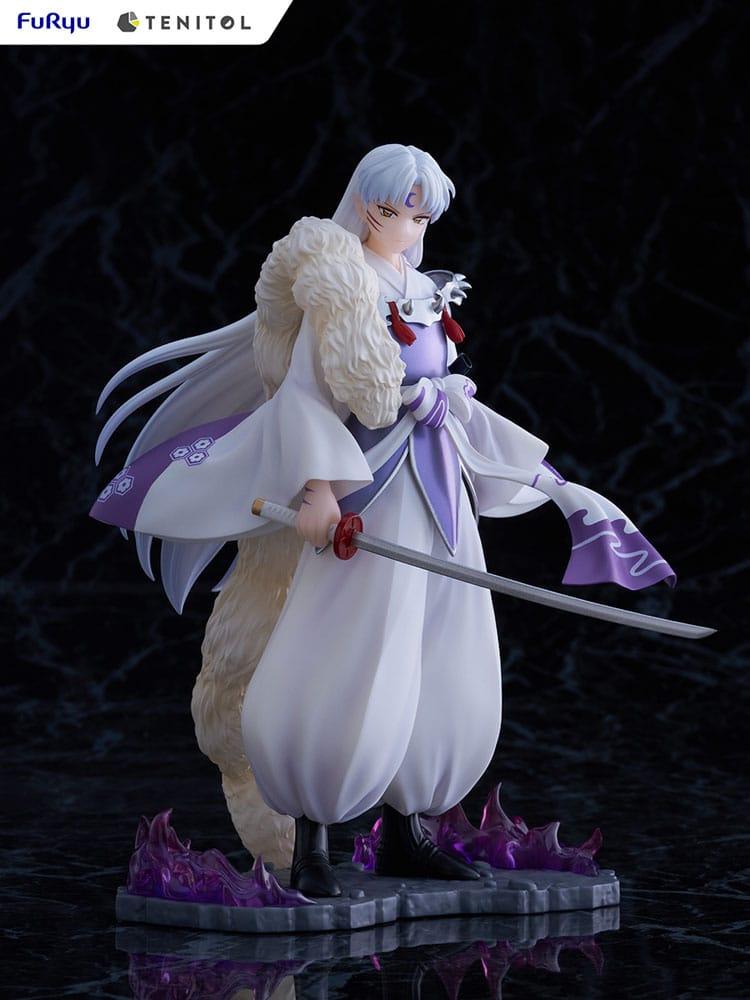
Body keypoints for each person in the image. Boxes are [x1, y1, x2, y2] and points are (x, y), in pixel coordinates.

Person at [92, 144, 674, 898]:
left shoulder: (423, 287)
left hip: (439, 492)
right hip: (368, 499)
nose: (411, 226)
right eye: (399, 210)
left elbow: (449, 400)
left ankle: (409, 830)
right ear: (369, 206)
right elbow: (304, 396)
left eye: (423, 216)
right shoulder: (343, 287)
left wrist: (550, 483)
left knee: (443, 647)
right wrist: (317, 489)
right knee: (347, 648)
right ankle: (313, 840)